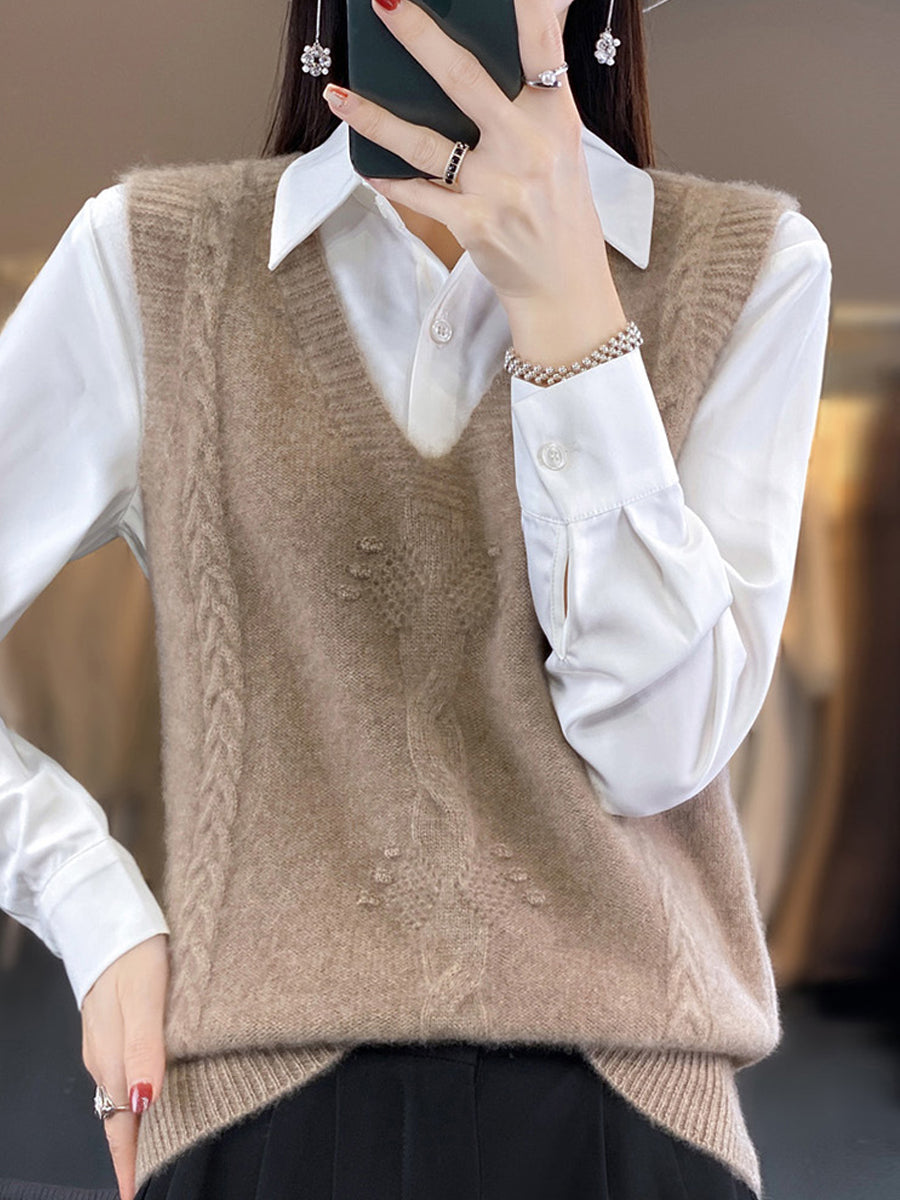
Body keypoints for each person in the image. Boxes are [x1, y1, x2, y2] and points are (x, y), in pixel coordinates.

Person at [0, 0, 832, 1198]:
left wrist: (571, 313)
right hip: (259, 1106)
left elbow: (654, 755)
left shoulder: (749, 267)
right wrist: (93, 910)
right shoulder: (155, 260)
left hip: (630, 1121)